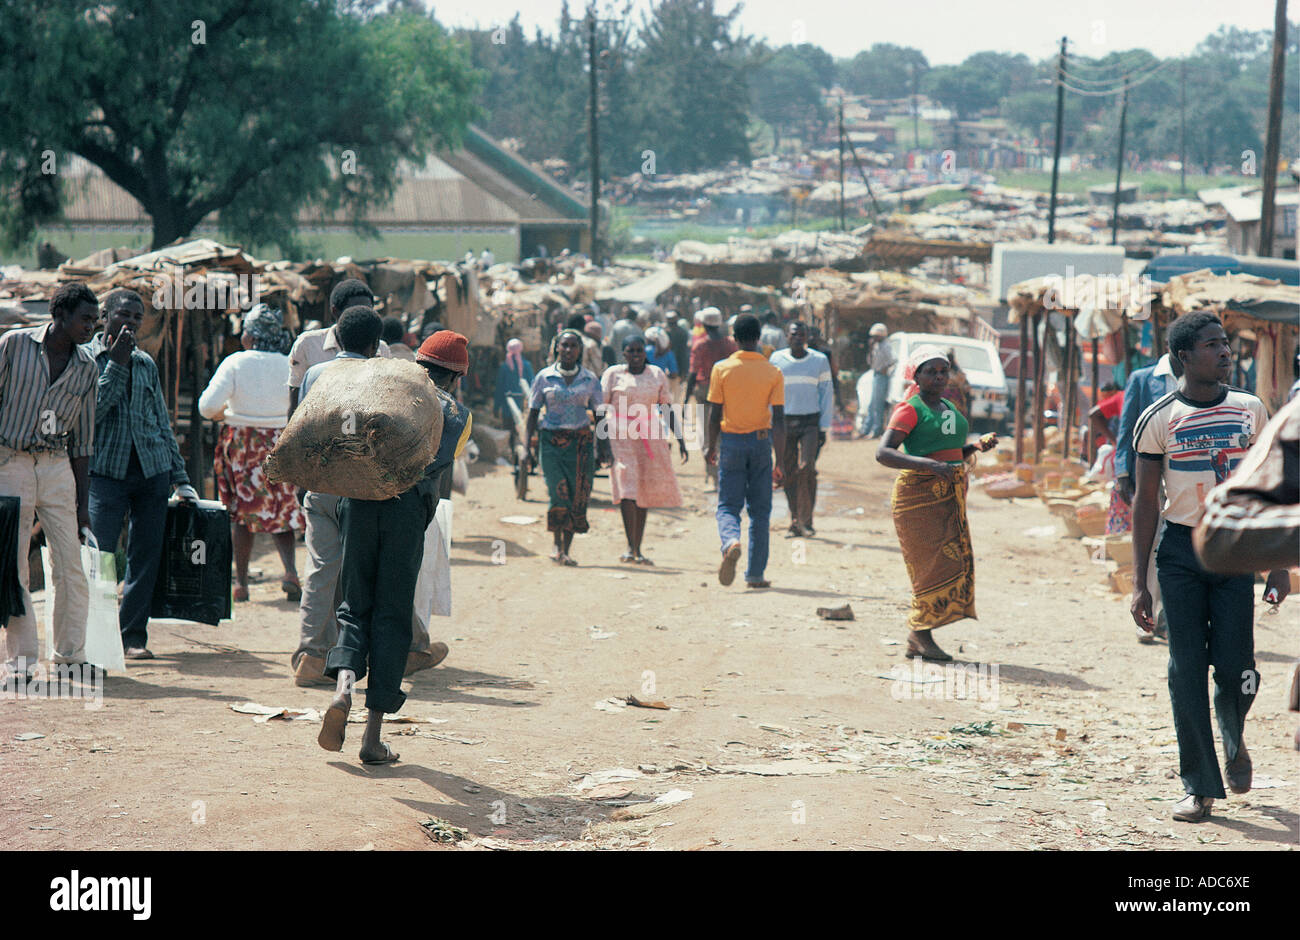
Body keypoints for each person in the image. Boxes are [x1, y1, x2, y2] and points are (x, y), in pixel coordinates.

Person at [1129, 312, 1282, 823]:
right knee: (1185, 669)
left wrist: (1277, 563)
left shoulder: (1251, 410)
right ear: (1183, 357)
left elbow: (1269, 486)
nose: (1225, 352)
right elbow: (1146, 503)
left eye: (1225, 344)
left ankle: (1232, 734)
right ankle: (1200, 786)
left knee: (1239, 668)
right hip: (1181, 555)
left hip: (1237, 549)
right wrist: (1139, 585)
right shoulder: (1158, 418)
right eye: (1213, 345)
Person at [317, 336, 465, 766]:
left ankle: (343, 689)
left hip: (358, 504)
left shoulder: (378, 389)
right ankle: (372, 737)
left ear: (418, 362)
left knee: (353, 605)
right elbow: (437, 466)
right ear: (456, 377)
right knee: (392, 616)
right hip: (404, 514)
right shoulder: (456, 414)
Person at [87, 289, 198, 661]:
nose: (132, 322)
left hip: (151, 472)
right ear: (105, 316)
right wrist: (116, 364)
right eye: (124, 315)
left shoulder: (146, 363)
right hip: (105, 473)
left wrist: (180, 477)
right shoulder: (88, 359)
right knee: (101, 555)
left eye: (137, 317)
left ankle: (133, 635)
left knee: (145, 556)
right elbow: (92, 414)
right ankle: (98, 637)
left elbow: (161, 423)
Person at [0, 282, 101, 680]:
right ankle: (21, 662)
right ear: (59, 315)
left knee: (70, 563)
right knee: (15, 563)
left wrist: (83, 507)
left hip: (58, 465)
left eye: (95, 320)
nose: (90, 327)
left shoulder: (87, 367)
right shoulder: (13, 346)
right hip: (11, 461)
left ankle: (70, 656)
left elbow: (84, 440)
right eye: (85, 319)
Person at [876, 346, 997, 662]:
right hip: (917, 498)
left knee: (950, 562)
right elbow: (884, 453)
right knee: (927, 568)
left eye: (944, 371)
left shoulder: (947, 406)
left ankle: (922, 634)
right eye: (932, 371)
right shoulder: (909, 408)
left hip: (948, 497)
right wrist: (929, 467)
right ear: (916, 375)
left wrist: (975, 447)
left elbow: (950, 453)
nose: (940, 377)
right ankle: (919, 635)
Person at [198, 304, 303, 603]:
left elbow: (207, 407)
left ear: (250, 336)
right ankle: (291, 572)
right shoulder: (289, 364)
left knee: (244, 514)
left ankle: (241, 584)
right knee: (282, 508)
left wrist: (228, 413)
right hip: (280, 444)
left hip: (243, 444)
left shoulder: (236, 363)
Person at [705, 314, 786, 589]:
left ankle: (730, 541)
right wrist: (782, 461)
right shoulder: (773, 372)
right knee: (761, 512)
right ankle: (755, 574)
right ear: (758, 337)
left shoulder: (722, 369)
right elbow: (780, 420)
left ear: (734, 338)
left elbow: (714, 412)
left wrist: (709, 446)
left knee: (728, 505)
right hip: (761, 443)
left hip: (731, 442)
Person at [600, 335, 687, 564]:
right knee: (627, 486)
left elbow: (666, 408)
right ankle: (630, 547)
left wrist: (680, 440)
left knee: (644, 489)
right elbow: (601, 408)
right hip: (620, 435)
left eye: (640, 351)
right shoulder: (613, 375)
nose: (636, 356)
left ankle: (638, 547)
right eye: (631, 351)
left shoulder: (656, 374)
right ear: (624, 353)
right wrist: (601, 442)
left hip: (649, 434)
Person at [1115, 349, 1182, 642]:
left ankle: (1168, 617)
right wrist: (1122, 471)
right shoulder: (1143, 379)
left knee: (1177, 540)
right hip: (1150, 469)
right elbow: (1126, 427)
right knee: (1152, 541)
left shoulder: (1200, 378)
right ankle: (1149, 613)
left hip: (1184, 473)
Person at [526, 330, 602, 566]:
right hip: (550, 442)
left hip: (581, 445)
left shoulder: (590, 380)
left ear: (580, 350)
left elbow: (600, 415)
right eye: (564, 345)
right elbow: (533, 412)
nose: (568, 350)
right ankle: (557, 544)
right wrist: (526, 445)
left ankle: (566, 549)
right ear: (556, 348)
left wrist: (603, 446)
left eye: (573, 346)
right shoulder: (544, 377)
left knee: (577, 495)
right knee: (558, 493)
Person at [287, 279, 391, 421]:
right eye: (353, 310)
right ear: (335, 312)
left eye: (367, 311)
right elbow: (296, 399)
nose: (361, 317)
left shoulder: (382, 348)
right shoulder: (308, 344)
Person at [770, 321, 833, 538]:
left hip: (810, 422)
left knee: (807, 469)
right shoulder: (776, 360)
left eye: (802, 335)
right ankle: (795, 519)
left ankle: (807, 520)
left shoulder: (819, 360)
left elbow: (826, 394)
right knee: (787, 471)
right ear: (786, 336)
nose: (798, 338)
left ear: (807, 337)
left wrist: (824, 427)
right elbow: (769, 393)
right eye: (794, 334)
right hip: (784, 422)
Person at [684, 307, 737, 490]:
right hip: (728, 394)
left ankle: (713, 478)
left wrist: (685, 400)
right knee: (727, 435)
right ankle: (727, 477)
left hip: (705, 394)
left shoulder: (700, 345)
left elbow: (692, 374)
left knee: (708, 437)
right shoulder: (730, 344)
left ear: (704, 325)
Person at [861, 322, 897, 437]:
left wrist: (885, 369)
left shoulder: (886, 346)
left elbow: (893, 360)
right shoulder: (876, 346)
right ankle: (866, 429)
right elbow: (870, 361)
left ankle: (876, 430)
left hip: (882, 376)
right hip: (876, 374)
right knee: (872, 404)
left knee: (878, 405)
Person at [494, 337, 534, 426]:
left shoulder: (504, 367)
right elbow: (532, 385)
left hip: (507, 403)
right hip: (523, 402)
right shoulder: (527, 365)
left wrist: (496, 408)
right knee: (522, 428)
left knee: (508, 427)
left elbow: (499, 388)